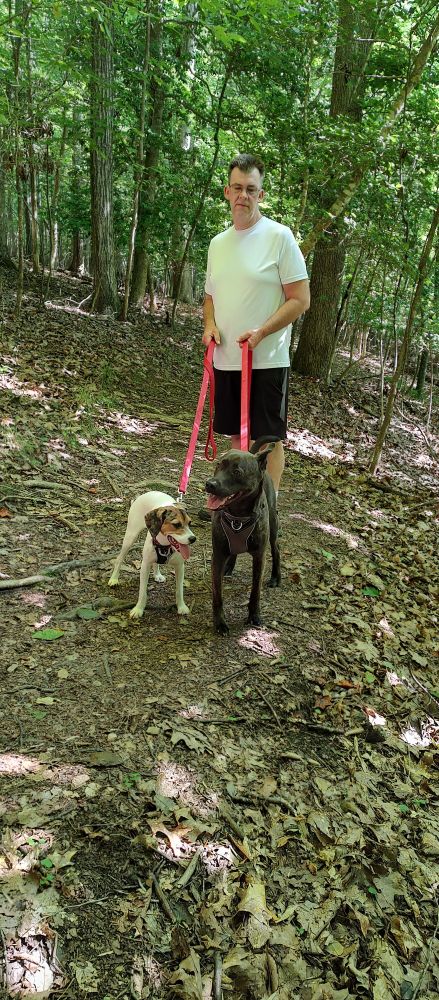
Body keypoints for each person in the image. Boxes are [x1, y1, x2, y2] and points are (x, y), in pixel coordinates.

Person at [201, 153, 310, 510]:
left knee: (266, 441)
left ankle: (265, 511)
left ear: (260, 194)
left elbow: (301, 299)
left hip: (267, 359)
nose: (243, 196)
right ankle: (239, 506)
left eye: (251, 189)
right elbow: (210, 296)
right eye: (237, 188)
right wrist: (209, 325)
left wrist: (263, 331)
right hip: (227, 359)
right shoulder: (218, 244)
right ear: (227, 192)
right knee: (237, 436)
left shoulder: (279, 237)